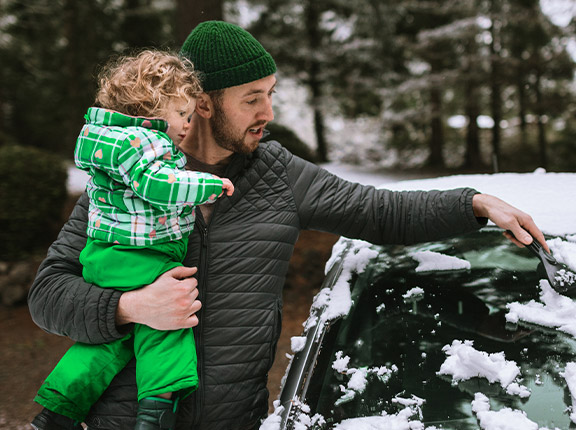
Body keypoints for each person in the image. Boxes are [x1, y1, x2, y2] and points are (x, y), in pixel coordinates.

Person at [28, 21, 548, 430]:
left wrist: (474, 203)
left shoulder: (279, 175)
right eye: (252, 97)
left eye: (271, 94)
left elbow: (380, 210)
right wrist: (128, 307)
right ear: (203, 103)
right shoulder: (123, 179)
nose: (268, 111)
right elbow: (48, 293)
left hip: (235, 423)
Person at [30, 50, 234, 430]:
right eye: (181, 115)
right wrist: (209, 185)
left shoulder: (107, 141)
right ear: (151, 109)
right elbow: (157, 184)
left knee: (102, 346)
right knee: (167, 332)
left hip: (106, 259)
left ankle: (55, 413)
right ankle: (154, 416)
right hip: (143, 258)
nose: (187, 126)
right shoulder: (146, 144)